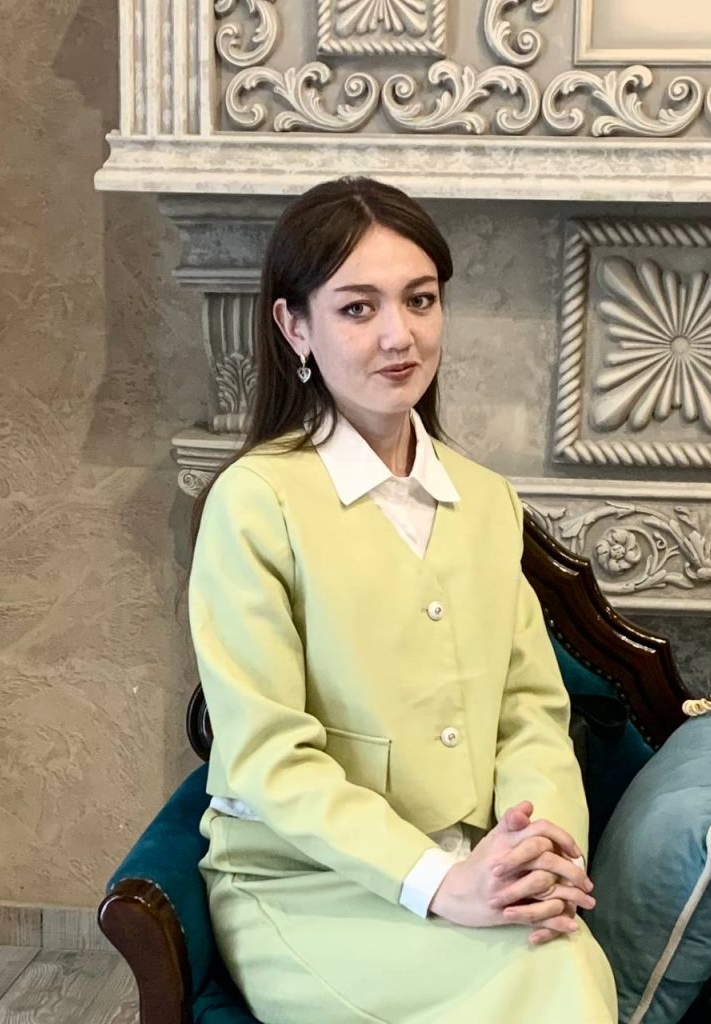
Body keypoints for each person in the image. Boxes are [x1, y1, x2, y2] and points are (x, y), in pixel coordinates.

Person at [190, 177, 617, 1024]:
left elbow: (530, 709)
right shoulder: (254, 503)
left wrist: (538, 849)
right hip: (308, 883)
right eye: (357, 308)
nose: (399, 335)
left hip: (479, 862)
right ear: (294, 326)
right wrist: (438, 883)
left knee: (564, 971)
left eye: (420, 300)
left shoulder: (488, 500)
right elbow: (269, 756)